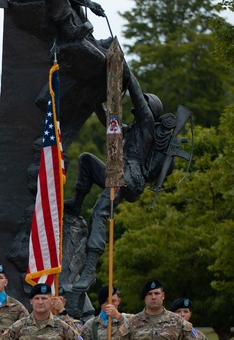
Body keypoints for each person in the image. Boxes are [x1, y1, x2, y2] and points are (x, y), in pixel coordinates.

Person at [64, 93, 184, 290]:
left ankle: (89, 270)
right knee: (86, 159)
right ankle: (76, 203)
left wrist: (124, 72)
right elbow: (107, 118)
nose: (138, 104)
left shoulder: (147, 126)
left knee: (99, 212)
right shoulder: (130, 129)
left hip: (129, 177)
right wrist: (94, 96)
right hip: (117, 172)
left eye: (144, 103)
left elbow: (136, 94)